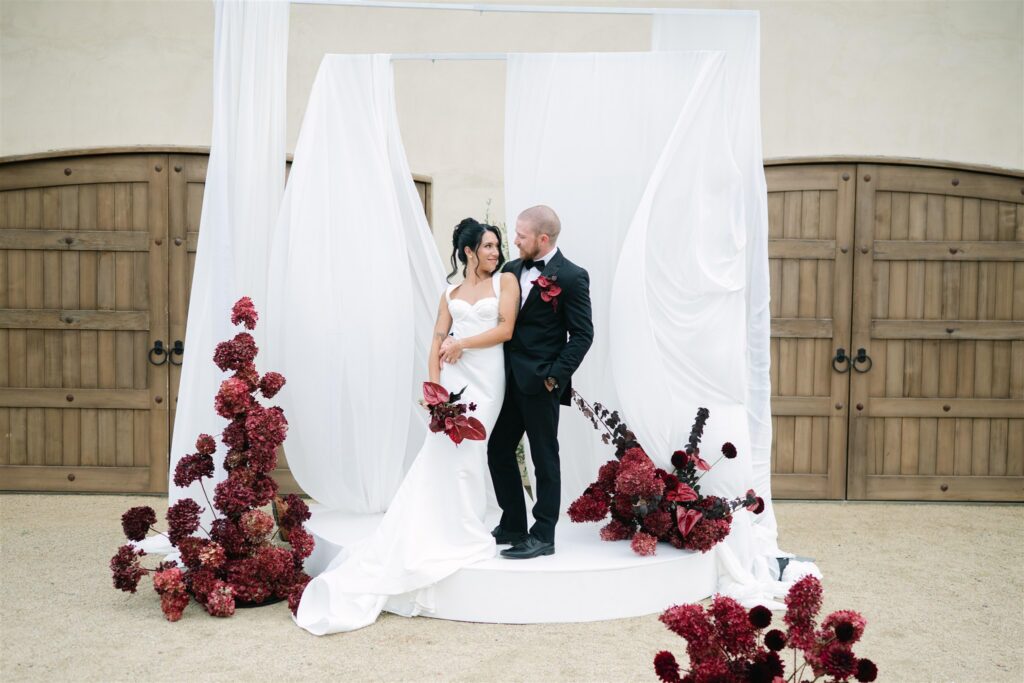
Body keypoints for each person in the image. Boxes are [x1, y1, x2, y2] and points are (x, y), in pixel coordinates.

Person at [294, 218, 518, 635]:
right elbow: (435, 340)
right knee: (442, 452)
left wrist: (461, 344)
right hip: (453, 380)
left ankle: (465, 527)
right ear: (468, 252)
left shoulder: (506, 282)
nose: (494, 252)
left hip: (488, 380)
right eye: (487, 246)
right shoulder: (449, 292)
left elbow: (505, 329)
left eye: (496, 245)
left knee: (471, 450)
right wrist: (434, 389)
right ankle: (443, 523)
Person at [443, 205, 593, 559]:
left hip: (541, 384)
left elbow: (583, 336)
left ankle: (543, 536)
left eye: (521, 236)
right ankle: (512, 524)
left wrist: (554, 378)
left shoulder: (571, 276)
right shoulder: (510, 270)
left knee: (544, 457)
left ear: (542, 239)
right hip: (504, 380)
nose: (514, 241)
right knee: (497, 448)